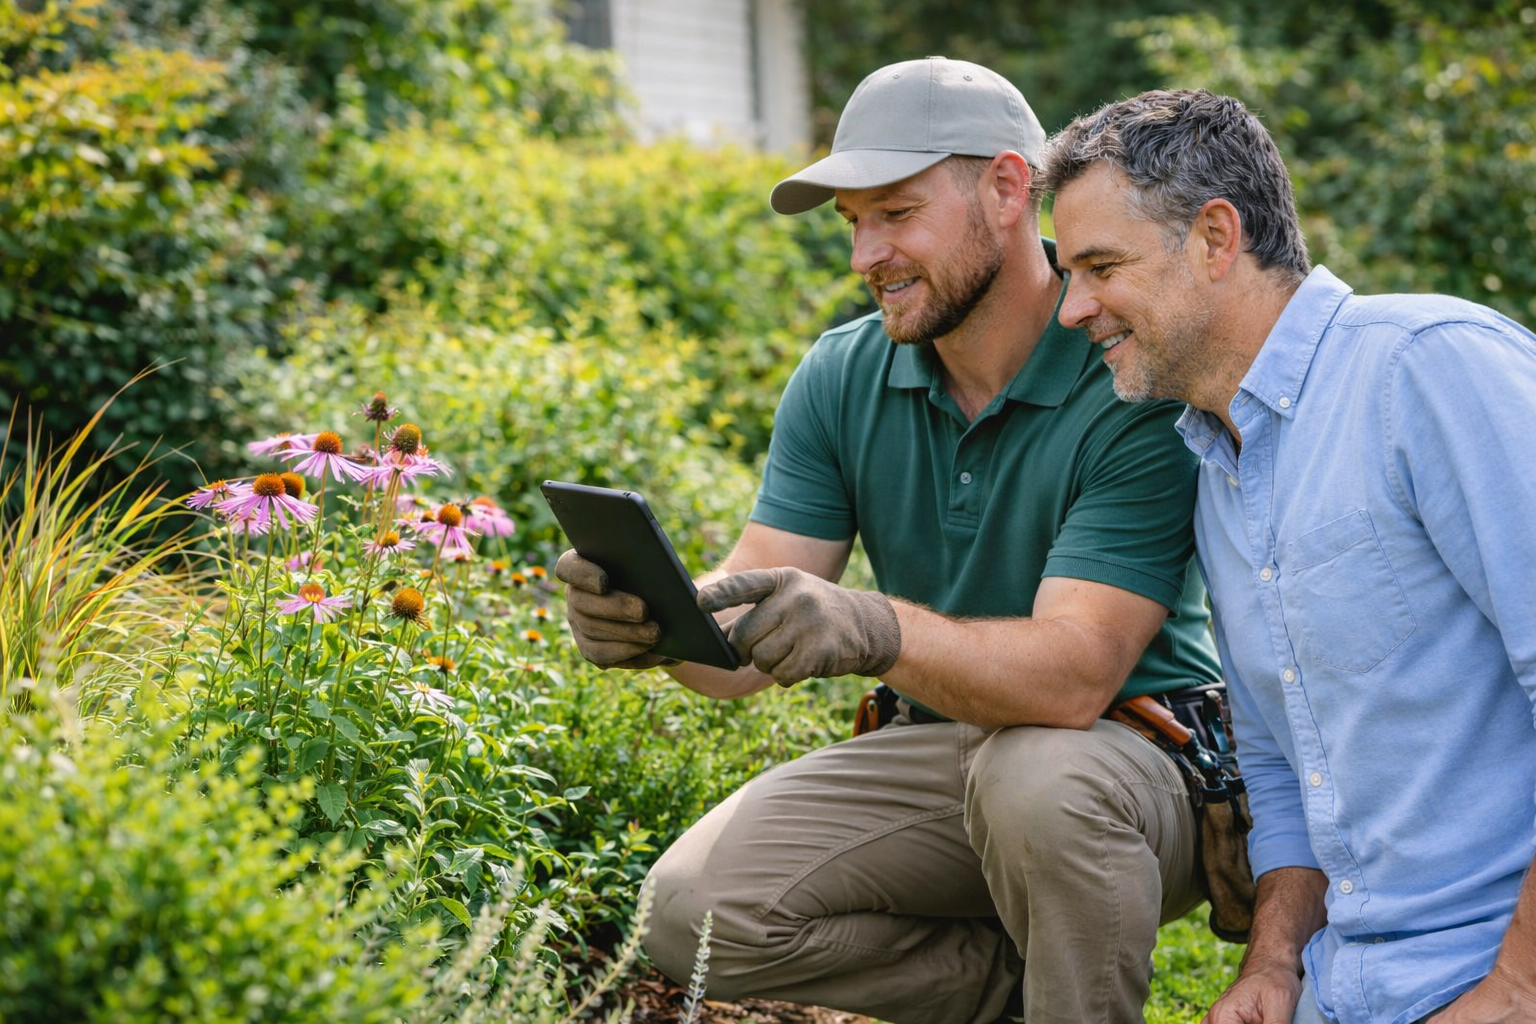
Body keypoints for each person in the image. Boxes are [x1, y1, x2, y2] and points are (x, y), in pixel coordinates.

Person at [555, 57, 1223, 1024]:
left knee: (1036, 780)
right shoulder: (844, 374)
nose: (866, 255)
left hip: (1127, 761)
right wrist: (656, 622)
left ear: (1007, 188)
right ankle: (1012, 992)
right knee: (690, 912)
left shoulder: (1126, 366)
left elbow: (1074, 679)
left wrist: (873, 628)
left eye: (897, 214)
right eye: (852, 222)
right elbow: (741, 644)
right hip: (943, 749)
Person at [1040, 88, 1536, 1024]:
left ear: (1215, 238)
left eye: (1101, 267)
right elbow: (1279, 765)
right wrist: (1273, 964)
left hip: (1487, 975)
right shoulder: (1217, 467)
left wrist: (1518, 990)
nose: (1074, 308)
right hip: (1341, 987)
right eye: (1069, 274)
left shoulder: (1429, 369)